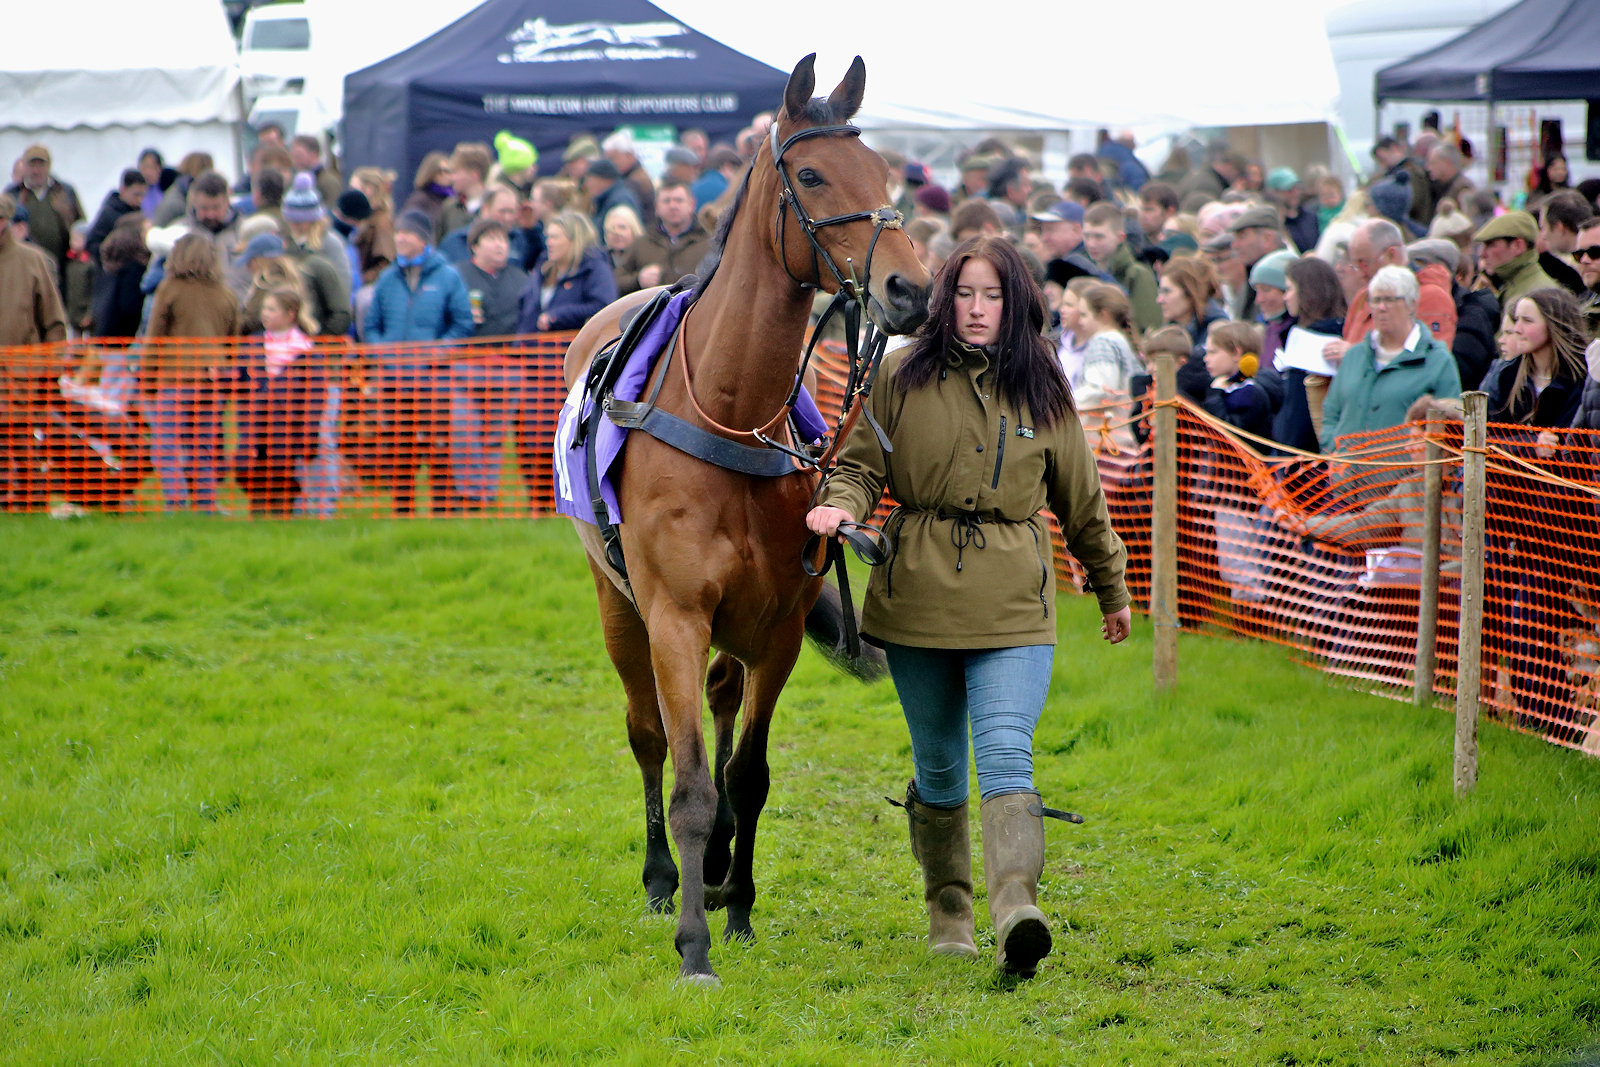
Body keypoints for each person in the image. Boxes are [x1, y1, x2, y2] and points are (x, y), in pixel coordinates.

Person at [805, 235, 1130, 977]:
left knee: (1007, 750)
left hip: (1013, 601)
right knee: (941, 767)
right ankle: (949, 910)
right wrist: (839, 505)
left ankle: (1016, 908)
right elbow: (860, 467)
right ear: (944, 298)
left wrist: (1111, 589)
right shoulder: (899, 374)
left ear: (1016, 304)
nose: (978, 309)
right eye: (964, 293)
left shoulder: (1044, 387)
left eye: (993, 295)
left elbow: (1083, 503)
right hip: (915, 597)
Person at [1480, 288, 1590, 740]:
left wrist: (1550, 450)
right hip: (1510, 519)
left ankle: (1552, 723)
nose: (1517, 329)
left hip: (1564, 524)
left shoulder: (1583, 379)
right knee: (1520, 622)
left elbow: (1577, 447)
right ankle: (1538, 723)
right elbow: (1484, 439)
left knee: (1534, 619)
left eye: (1527, 320)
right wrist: (1530, 445)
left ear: (1553, 324)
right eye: (1514, 320)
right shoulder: (1506, 376)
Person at [364, 208, 475, 515]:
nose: (400, 238)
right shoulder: (387, 278)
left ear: (424, 238)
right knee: (398, 447)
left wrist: (440, 350)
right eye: (398, 232)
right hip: (394, 381)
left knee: (438, 446)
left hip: (433, 381)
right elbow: (371, 325)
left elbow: (462, 323)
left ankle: (442, 509)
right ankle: (403, 510)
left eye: (408, 233)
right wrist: (382, 351)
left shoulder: (448, 276)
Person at [143, 233, 242, 511]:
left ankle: (176, 502)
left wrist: (147, 381)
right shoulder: (226, 294)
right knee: (204, 447)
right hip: (213, 380)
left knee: (165, 446)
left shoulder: (169, 289)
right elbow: (232, 343)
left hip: (175, 378)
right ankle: (206, 504)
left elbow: (155, 337)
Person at [1320, 265, 1462, 452]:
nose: (1381, 307)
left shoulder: (1437, 360)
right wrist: (1334, 451)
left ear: (1412, 304)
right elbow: (1331, 413)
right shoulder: (1354, 356)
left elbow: (1451, 427)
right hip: (1346, 469)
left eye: (1390, 300)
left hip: (1405, 469)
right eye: (1375, 300)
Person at [0, 190, 69, 511]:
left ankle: (32, 502)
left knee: (23, 442)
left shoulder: (32, 261)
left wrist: (51, 370)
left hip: (22, 377)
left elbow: (53, 321)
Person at [235, 286, 325, 516]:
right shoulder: (253, 344)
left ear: (290, 314)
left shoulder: (306, 349)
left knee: (281, 475)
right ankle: (261, 513)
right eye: (264, 308)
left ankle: (279, 517)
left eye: (272, 309)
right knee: (245, 469)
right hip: (255, 424)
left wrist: (308, 433)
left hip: (287, 427)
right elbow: (238, 378)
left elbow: (315, 396)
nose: (264, 313)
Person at [1275, 255, 1346, 451]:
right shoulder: (1331, 333)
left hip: (1307, 458)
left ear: (1307, 292)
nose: (1285, 297)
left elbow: (1299, 417)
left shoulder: (1317, 341)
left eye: (1289, 289)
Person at [514, 212, 617, 334]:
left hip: (573, 343)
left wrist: (557, 316)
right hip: (532, 344)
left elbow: (603, 307)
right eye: (547, 237)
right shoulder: (543, 266)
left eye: (554, 237)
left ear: (574, 240)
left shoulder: (594, 267)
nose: (548, 243)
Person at [1075, 283, 1146, 453]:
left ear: (1103, 315)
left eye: (1084, 315)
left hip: (1106, 440)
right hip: (1121, 437)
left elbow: (1101, 390)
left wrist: (1062, 403)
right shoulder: (1121, 340)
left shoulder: (1103, 342)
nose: (1080, 321)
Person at [4, 143, 84, 284]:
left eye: (41, 165)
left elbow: (80, 225)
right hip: (23, 268)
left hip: (63, 267)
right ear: (24, 166)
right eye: (32, 165)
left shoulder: (64, 192)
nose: (36, 171)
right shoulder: (12, 195)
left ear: (49, 166)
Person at [614, 179, 710, 296]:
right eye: (666, 201)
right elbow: (616, 281)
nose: (673, 206)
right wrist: (638, 280)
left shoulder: (709, 244)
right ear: (657, 207)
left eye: (679, 200)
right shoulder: (641, 243)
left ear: (692, 205)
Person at [1082, 203, 1159, 333]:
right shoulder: (1084, 269)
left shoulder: (1137, 275)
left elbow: (1148, 326)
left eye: (1099, 237)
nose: (1091, 244)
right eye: (1086, 236)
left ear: (1120, 237)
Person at [1474, 211, 1559, 315]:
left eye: (1491, 245)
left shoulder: (1539, 294)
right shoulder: (1513, 284)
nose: (1482, 254)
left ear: (1518, 246)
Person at [1201, 321, 1273, 440]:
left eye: (1213, 352)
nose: (1205, 359)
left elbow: (1230, 436)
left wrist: (1214, 397)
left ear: (1236, 353)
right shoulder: (1225, 386)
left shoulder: (1251, 393)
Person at [91, 216, 150, 338]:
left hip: (104, 330)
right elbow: (130, 306)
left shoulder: (110, 264)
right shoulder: (134, 268)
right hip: (123, 336)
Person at [85, 169, 147, 267]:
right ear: (123, 190)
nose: (140, 200)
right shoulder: (109, 213)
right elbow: (91, 244)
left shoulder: (139, 213)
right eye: (136, 195)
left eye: (143, 195)